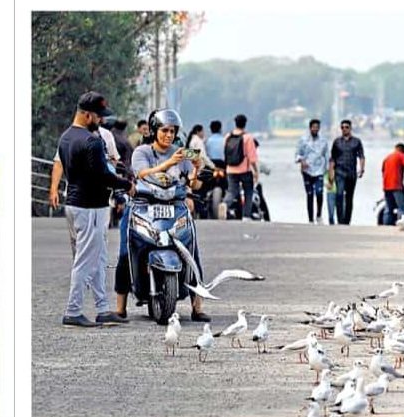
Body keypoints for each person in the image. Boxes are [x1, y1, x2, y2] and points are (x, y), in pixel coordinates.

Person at [114, 108, 209, 322]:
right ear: (155, 130)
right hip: (142, 205)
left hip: (174, 206)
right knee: (125, 253)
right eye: (164, 130)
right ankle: (120, 307)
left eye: (172, 131)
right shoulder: (143, 152)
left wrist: (196, 169)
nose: (169, 135)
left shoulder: (182, 152)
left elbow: (195, 184)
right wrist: (169, 163)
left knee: (191, 250)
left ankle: (197, 306)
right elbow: (142, 174)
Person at [54, 91, 133, 327]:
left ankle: (102, 308)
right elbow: (103, 176)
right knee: (85, 260)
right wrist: (126, 185)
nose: (101, 120)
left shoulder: (66, 137)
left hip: (76, 204)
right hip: (89, 207)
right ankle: (73, 310)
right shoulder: (92, 141)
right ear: (87, 114)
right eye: (98, 116)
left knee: (98, 258)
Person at [222, 113, 259, 220]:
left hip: (230, 169)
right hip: (245, 170)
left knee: (232, 191)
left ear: (235, 123)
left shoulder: (228, 136)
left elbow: (224, 153)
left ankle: (225, 204)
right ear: (245, 124)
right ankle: (246, 215)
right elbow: (252, 158)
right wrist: (256, 172)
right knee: (248, 192)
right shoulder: (248, 137)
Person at [328, 119, 365, 225]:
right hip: (339, 172)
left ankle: (347, 221)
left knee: (349, 197)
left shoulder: (356, 141)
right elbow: (332, 158)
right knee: (339, 195)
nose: (344, 129)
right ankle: (340, 220)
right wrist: (331, 173)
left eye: (346, 127)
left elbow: (361, 156)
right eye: (342, 127)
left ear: (350, 128)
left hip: (351, 173)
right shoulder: (337, 142)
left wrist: (361, 169)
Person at [295, 118, 330, 223]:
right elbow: (297, 154)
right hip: (307, 171)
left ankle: (319, 214)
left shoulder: (323, 141)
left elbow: (327, 156)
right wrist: (301, 160)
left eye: (317, 127)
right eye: (313, 127)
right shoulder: (303, 140)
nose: (315, 129)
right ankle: (310, 218)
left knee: (319, 193)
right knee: (309, 194)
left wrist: (328, 172)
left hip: (319, 170)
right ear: (310, 128)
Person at [380, 143, 404, 226]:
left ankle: (386, 226)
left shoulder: (387, 158)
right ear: (403, 150)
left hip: (386, 186)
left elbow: (383, 171)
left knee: (388, 208)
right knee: (402, 206)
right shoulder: (400, 155)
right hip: (396, 186)